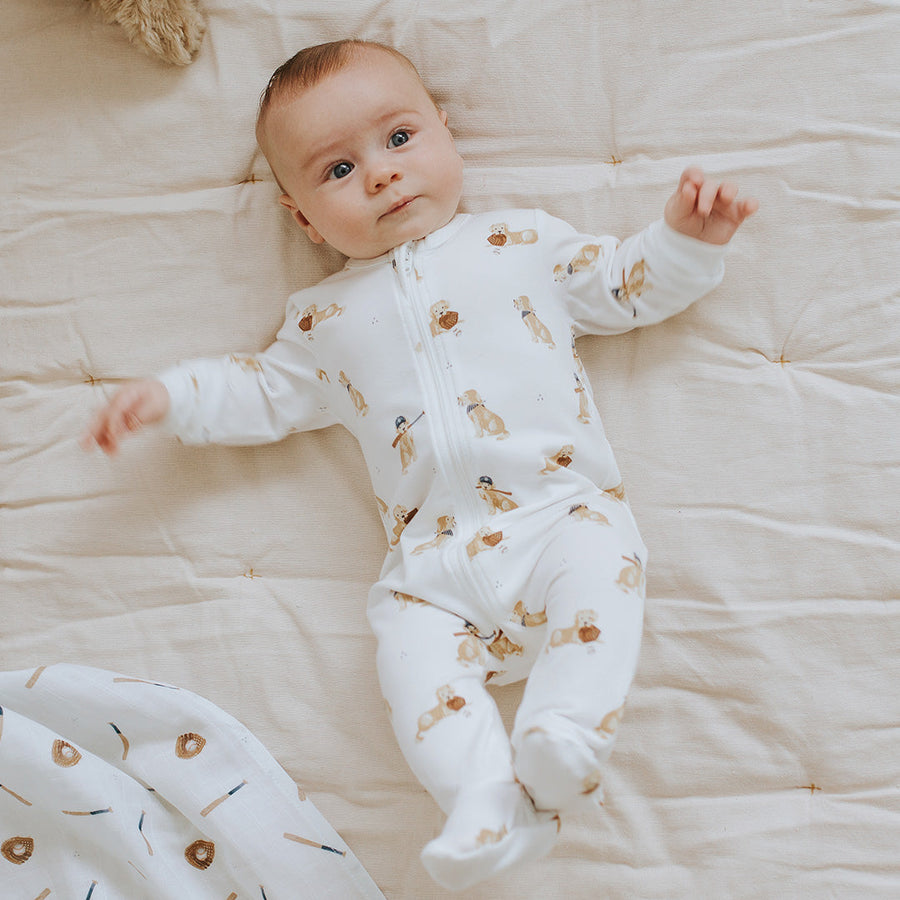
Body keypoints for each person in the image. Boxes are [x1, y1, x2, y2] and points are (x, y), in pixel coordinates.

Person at [82, 39, 757, 890]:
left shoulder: (521, 244)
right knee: (406, 649)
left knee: (605, 569)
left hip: (557, 515)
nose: (380, 176)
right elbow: (259, 393)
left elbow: (624, 285)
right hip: (431, 565)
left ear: (446, 131)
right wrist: (171, 399)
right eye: (336, 170)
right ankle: (482, 800)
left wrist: (687, 239)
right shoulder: (320, 320)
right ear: (301, 218)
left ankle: (563, 735)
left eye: (399, 139)